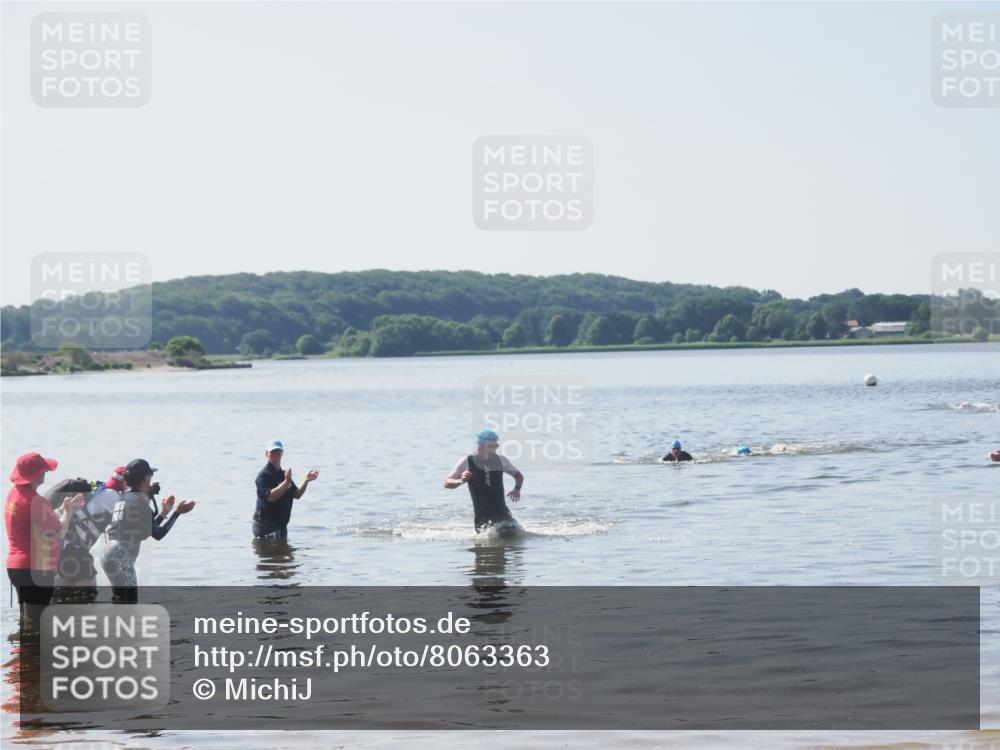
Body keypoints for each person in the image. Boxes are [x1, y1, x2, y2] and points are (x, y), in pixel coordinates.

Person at [5, 452, 85, 625]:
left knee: (26, 621)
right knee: (37, 625)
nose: (45, 474)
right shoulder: (36, 501)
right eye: (44, 471)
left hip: (15, 568)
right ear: (36, 475)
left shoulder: (13, 494)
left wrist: (62, 509)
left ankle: (19, 643)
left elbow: (37, 521)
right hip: (36, 570)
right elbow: (58, 534)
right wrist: (68, 512)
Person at [100, 459, 195, 603]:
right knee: (130, 603)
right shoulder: (140, 502)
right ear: (145, 478)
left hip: (107, 553)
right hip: (121, 555)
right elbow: (157, 534)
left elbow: (148, 528)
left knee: (120, 601)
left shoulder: (123, 497)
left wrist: (164, 512)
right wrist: (177, 513)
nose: (152, 479)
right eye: (151, 475)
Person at [53, 466, 128, 597]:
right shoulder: (112, 496)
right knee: (87, 599)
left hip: (60, 552)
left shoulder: (97, 489)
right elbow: (129, 523)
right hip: (77, 554)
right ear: (125, 483)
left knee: (61, 600)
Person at [444, 429, 524, 533]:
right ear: (482, 445)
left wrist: (517, 489)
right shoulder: (467, 462)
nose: (496, 448)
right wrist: (460, 481)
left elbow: (518, 476)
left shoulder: (501, 460)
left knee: (512, 534)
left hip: (503, 516)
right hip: (482, 519)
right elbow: (447, 483)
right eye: (493, 446)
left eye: (496, 446)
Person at [253, 440, 319, 539]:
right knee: (273, 549)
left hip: (281, 525)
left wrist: (306, 480)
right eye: (272, 452)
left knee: (284, 549)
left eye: (278, 452)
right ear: (266, 454)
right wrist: (286, 482)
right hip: (265, 525)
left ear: (282, 454)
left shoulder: (284, 475)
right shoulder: (263, 476)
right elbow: (270, 497)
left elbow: (297, 494)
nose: (275, 455)